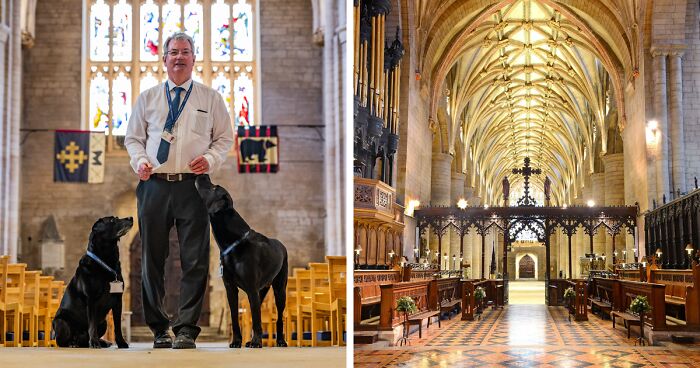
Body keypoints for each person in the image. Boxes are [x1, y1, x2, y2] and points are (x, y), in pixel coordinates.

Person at [125, 32, 234, 349]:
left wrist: (211, 159)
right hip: (154, 185)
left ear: (194, 58)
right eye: (173, 52)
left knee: (195, 259)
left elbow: (224, 139)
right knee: (151, 260)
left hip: (193, 186)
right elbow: (133, 139)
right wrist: (140, 160)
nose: (179, 57)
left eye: (185, 52)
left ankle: (186, 328)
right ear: (164, 59)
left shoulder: (210, 99)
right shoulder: (147, 98)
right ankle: (159, 329)